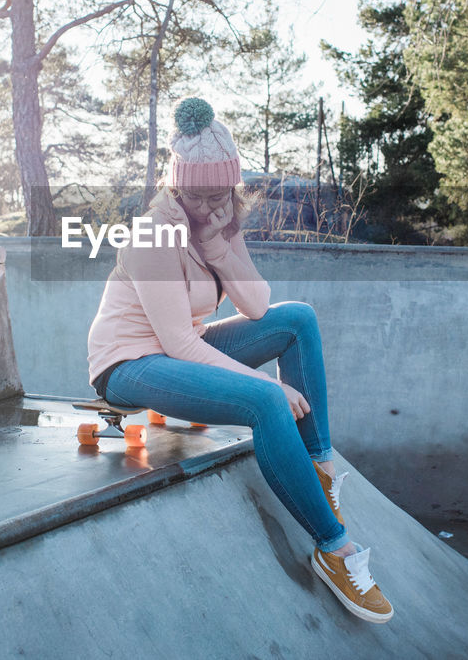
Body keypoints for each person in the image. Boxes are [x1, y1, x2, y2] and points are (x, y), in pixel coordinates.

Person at [86, 97, 393, 623]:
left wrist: (223, 247)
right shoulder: (152, 236)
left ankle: (319, 466)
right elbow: (179, 345)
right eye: (199, 195)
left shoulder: (217, 222)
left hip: (181, 346)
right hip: (129, 363)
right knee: (263, 401)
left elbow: (255, 304)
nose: (211, 205)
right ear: (177, 187)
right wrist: (270, 388)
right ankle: (334, 548)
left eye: (220, 192)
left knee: (297, 318)